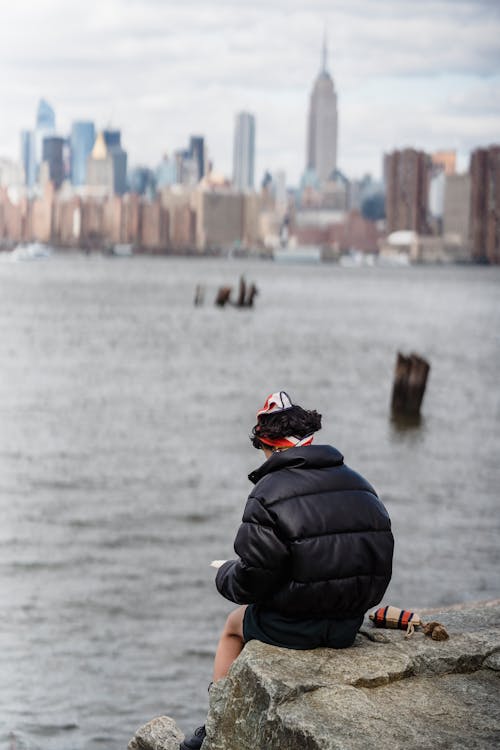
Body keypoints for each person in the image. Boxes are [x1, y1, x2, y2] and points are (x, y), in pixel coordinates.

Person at [180, 391, 394, 750]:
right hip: (346, 627)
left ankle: (216, 721)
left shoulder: (268, 493)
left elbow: (252, 580)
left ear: (267, 444)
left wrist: (224, 574)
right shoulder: (360, 483)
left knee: (234, 627)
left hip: (295, 628)